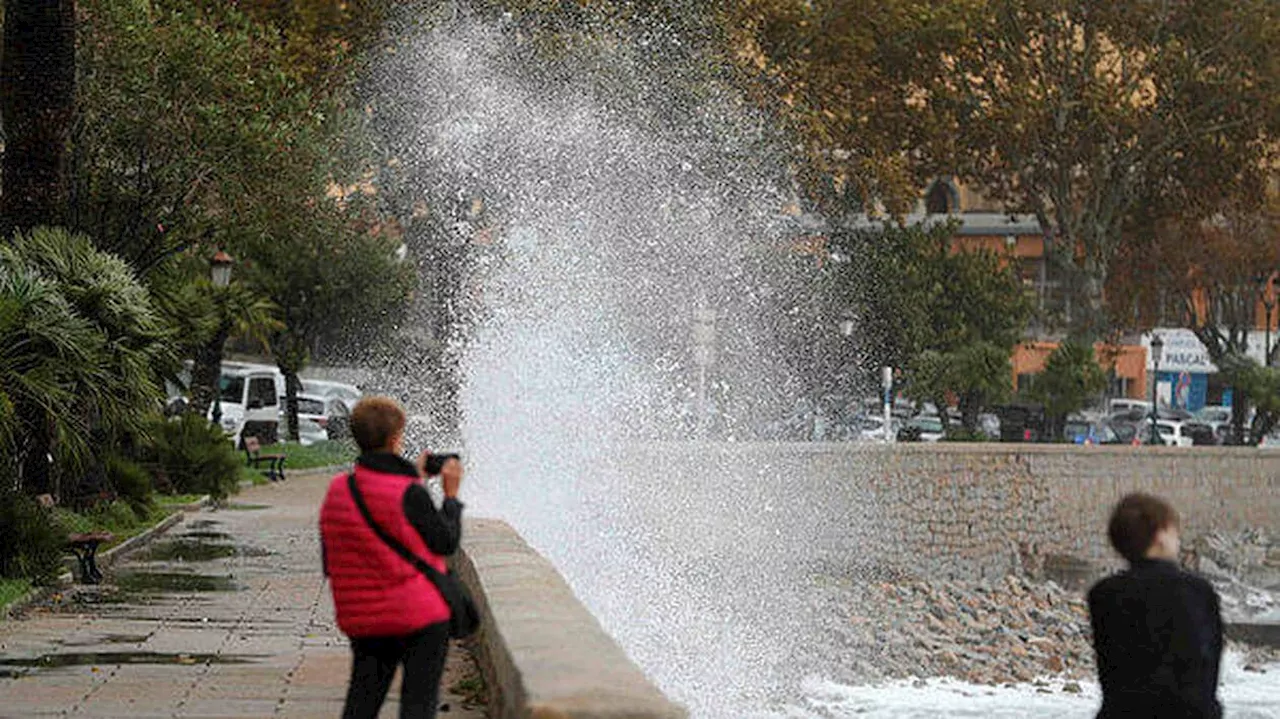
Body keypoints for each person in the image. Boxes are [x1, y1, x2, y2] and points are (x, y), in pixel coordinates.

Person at [319, 396, 464, 719]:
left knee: (362, 701)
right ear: (396, 438)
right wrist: (451, 498)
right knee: (418, 705)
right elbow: (445, 542)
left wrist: (414, 477)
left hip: (364, 618)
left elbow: (330, 559)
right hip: (419, 618)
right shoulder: (410, 493)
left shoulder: (339, 489)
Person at [1087, 493, 1223, 719]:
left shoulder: (1103, 594)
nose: (1178, 540)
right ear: (1160, 535)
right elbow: (1207, 670)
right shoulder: (1196, 591)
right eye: (1174, 532)